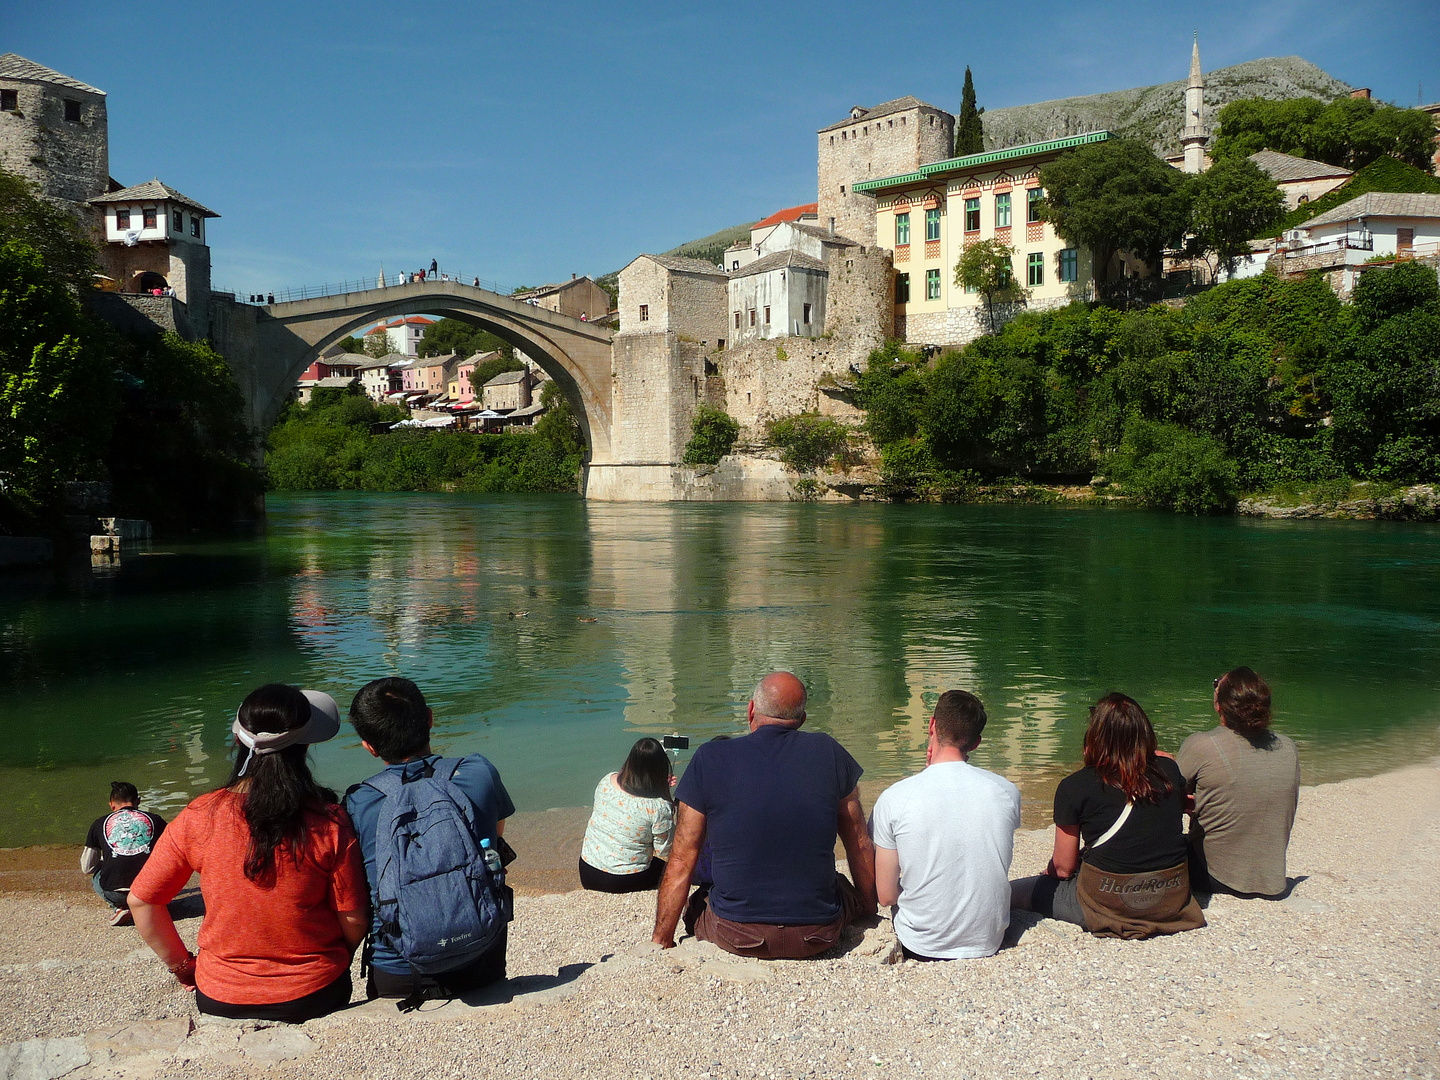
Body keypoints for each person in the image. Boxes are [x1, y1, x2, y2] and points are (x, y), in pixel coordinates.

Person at [128, 685, 367, 1023]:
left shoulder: (200, 815)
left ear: (238, 740)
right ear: (306, 746)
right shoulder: (328, 821)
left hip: (220, 996)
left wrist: (184, 967)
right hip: (315, 993)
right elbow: (354, 919)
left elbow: (142, 901)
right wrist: (333, 958)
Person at [653, 672, 877, 958]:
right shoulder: (829, 752)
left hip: (735, 933)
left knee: (699, 902)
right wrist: (870, 913)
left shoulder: (709, 757)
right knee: (841, 886)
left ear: (750, 710)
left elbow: (684, 856)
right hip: (818, 933)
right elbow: (859, 842)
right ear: (802, 719)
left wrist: (662, 938)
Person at [345, 677, 514, 1001]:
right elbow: (493, 838)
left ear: (368, 745)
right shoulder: (478, 772)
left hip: (397, 973)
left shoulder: (359, 801)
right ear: (431, 718)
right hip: (482, 959)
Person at [1011, 693, 1205, 939]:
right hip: (1171, 899)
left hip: (1107, 903)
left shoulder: (1075, 787)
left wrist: (1047, 875)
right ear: (1144, 734)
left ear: (1094, 738)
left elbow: (1063, 868)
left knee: (1013, 892)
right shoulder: (1169, 771)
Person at [870, 691, 1020, 960]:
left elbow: (886, 895)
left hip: (920, 943)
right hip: (988, 940)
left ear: (931, 725)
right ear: (975, 744)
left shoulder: (894, 798)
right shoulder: (1007, 792)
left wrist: (925, 776)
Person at [1178, 668, 1300, 899]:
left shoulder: (1201, 745)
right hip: (1272, 879)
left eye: (1217, 686)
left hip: (1210, 876)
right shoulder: (1288, 747)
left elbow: (1166, 797)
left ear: (1219, 705)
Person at [579, 738, 675, 892]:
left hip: (588, 871)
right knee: (671, 869)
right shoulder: (658, 807)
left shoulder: (606, 781)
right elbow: (665, 849)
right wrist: (665, 795)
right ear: (661, 769)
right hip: (623, 879)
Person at [81, 781, 165, 927]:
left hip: (116, 894)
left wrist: (106, 860)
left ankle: (119, 907)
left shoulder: (98, 823)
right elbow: (172, 855)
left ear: (112, 805)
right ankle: (154, 906)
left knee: (97, 875)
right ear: (138, 801)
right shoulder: (156, 820)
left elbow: (86, 867)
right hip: (152, 892)